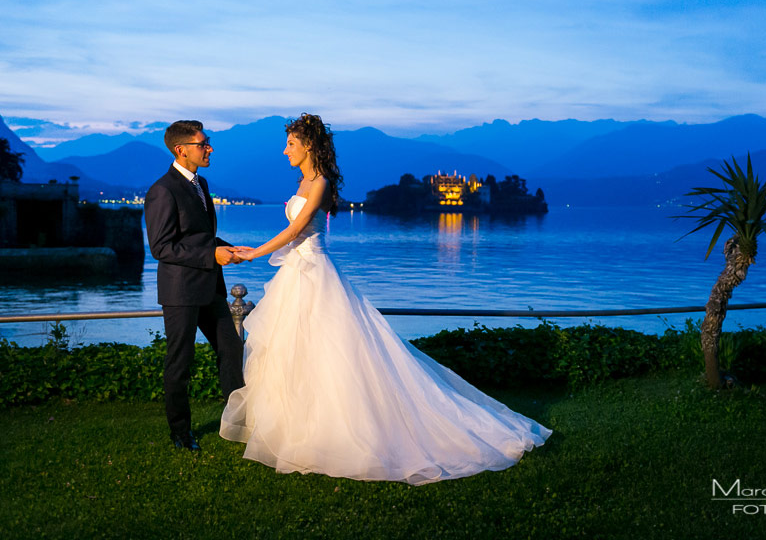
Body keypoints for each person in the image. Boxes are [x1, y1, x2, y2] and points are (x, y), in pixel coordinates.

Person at [220, 114, 551, 485]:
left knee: (334, 351)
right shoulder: (302, 181)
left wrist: (253, 253)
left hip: (315, 272)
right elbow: (293, 231)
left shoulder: (321, 183)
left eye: (291, 144)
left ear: (308, 145)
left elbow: (297, 229)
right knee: (295, 349)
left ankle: (340, 430)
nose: (285, 151)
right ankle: (299, 425)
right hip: (296, 273)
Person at [145, 120, 247, 451]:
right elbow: (162, 247)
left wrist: (228, 249)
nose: (209, 148)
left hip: (209, 285)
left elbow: (199, 236)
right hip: (181, 291)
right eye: (203, 144)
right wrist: (211, 253)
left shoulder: (200, 184)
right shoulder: (162, 190)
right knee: (180, 361)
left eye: (207, 143)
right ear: (181, 149)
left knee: (231, 350)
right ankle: (180, 432)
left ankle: (238, 421)